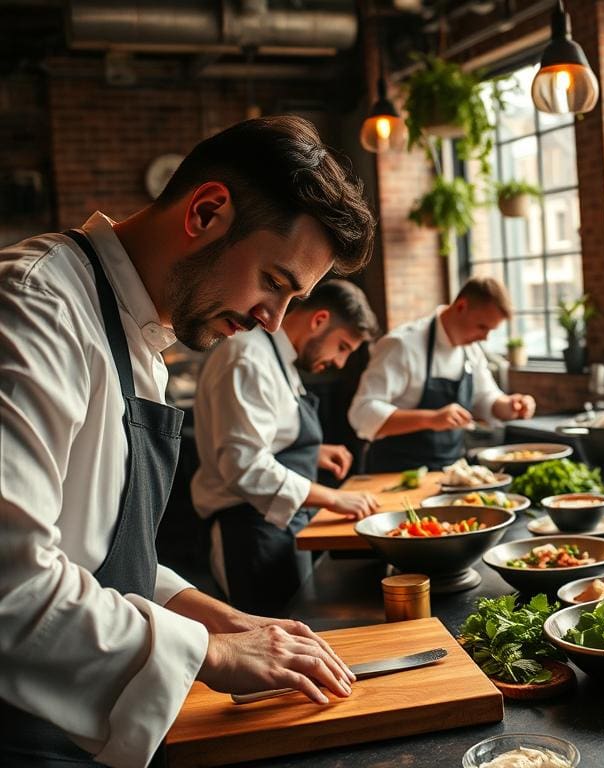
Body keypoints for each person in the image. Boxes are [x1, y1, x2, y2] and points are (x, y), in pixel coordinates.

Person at [0, 115, 376, 767]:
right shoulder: (36, 308)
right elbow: (11, 587)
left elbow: (99, 558)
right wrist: (212, 651)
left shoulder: (138, 334)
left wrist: (219, 616)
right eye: (274, 283)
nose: (272, 321)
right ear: (206, 212)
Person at [191, 279, 381, 615]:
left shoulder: (275, 357)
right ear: (319, 320)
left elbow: (267, 436)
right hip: (249, 533)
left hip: (277, 526)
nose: (339, 363)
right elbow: (245, 467)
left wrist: (315, 453)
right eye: (343, 348)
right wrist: (334, 497)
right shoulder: (247, 359)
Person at [348, 277, 537, 472]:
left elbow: (486, 398)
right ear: (461, 306)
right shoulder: (401, 345)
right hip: (396, 472)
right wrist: (431, 419)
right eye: (482, 327)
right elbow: (362, 412)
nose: (485, 337)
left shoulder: (471, 350)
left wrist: (511, 406)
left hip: (451, 471)